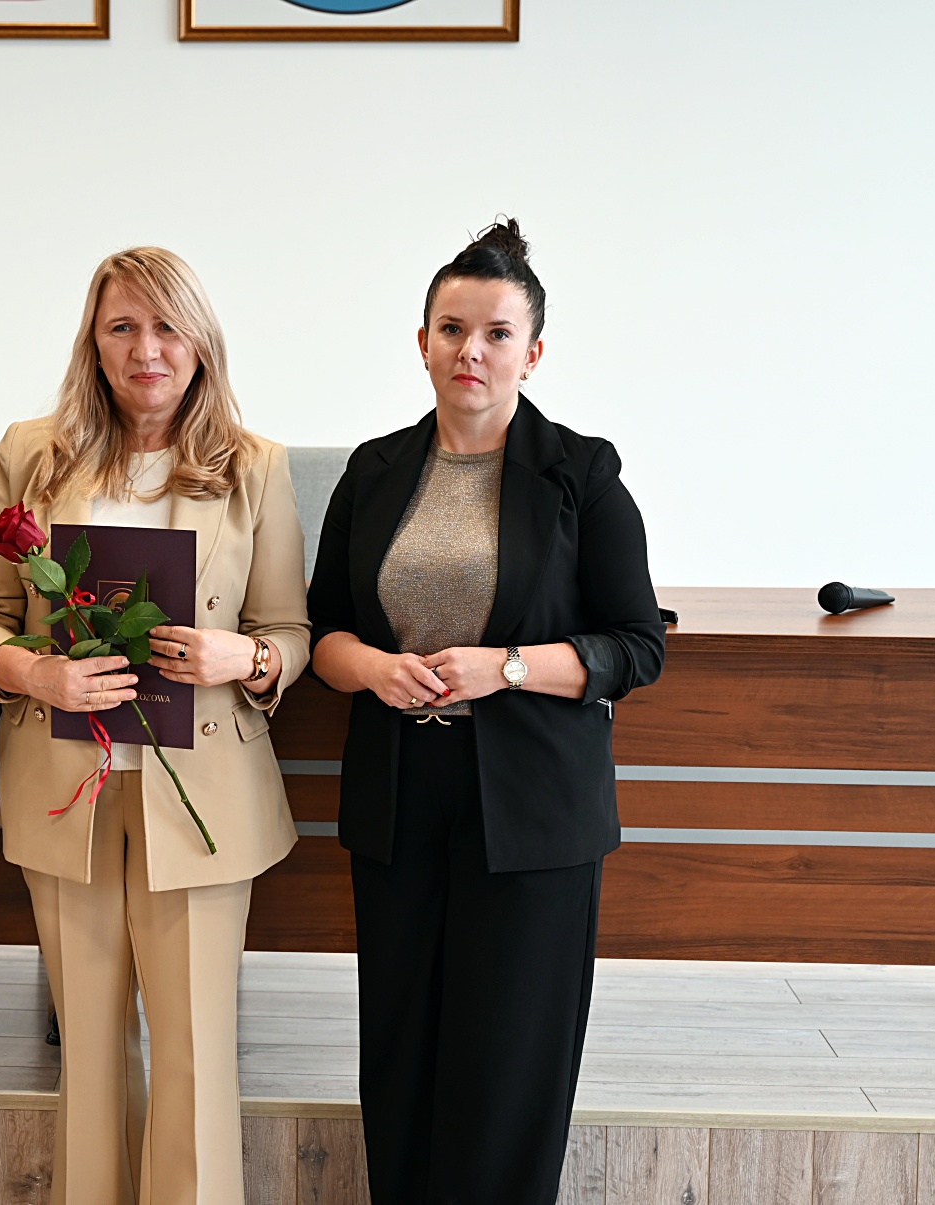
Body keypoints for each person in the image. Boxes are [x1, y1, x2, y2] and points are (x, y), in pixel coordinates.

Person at [307, 219, 665, 1204]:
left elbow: (634, 646)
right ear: (421, 342)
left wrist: (502, 667)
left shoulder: (581, 472)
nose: (471, 349)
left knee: (506, 1067)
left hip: (530, 805)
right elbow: (323, 630)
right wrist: (373, 668)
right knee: (401, 1058)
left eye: (497, 333)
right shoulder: (374, 470)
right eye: (452, 328)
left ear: (532, 352)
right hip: (398, 796)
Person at [0, 247, 310, 1205]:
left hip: (203, 799)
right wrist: (35, 671)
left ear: (199, 341)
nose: (144, 349)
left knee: (194, 1055)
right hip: (65, 784)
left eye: (164, 327)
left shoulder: (254, 466)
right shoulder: (29, 453)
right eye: (121, 327)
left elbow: (288, 630)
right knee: (88, 1055)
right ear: (93, 341)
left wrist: (247, 658)